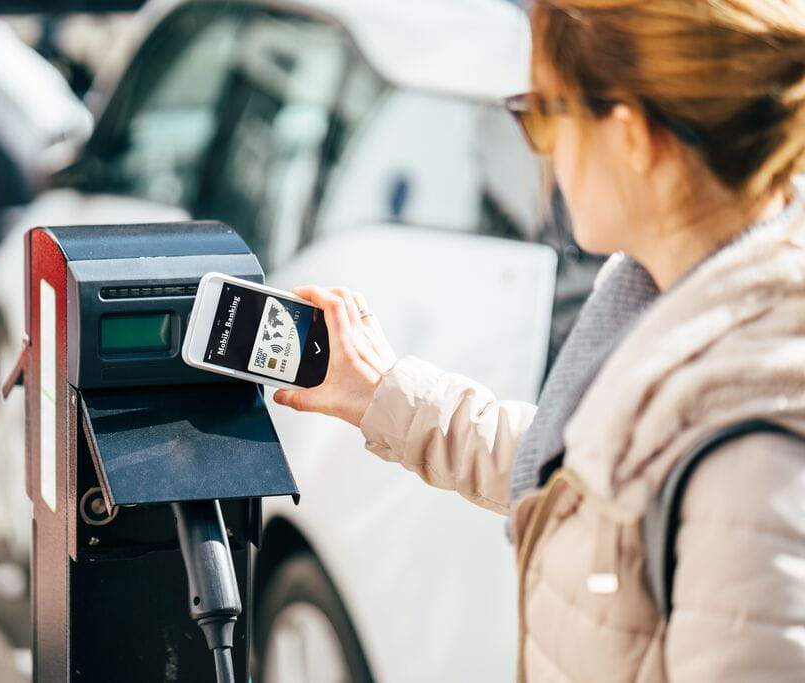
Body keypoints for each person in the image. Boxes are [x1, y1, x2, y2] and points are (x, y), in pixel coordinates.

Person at [272, 0, 805, 680]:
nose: (540, 153)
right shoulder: (672, 306)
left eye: (544, 112)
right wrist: (381, 391)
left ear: (632, 136)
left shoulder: (749, 461)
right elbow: (580, 473)